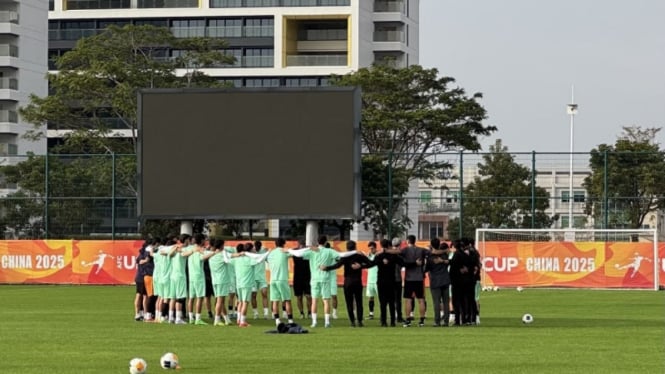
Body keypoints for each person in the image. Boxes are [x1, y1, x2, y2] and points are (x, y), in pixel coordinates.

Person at [289, 235, 357, 328]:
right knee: (326, 301)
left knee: (314, 301)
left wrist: (289, 250)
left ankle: (314, 322)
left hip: (314, 279)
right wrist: (355, 251)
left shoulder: (312, 251)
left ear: (317, 242)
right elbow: (342, 255)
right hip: (325, 278)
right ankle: (327, 322)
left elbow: (298, 254)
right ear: (326, 242)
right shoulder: (329, 251)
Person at [323, 240, 372, 327]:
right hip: (357, 281)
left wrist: (327, 268)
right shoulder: (359, 255)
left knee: (349, 302)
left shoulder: (345, 257)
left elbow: (337, 265)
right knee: (359, 301)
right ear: (355, 247)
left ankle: (352, 321)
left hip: (348, 281)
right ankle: (360, 321)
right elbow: (370, 263)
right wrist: (361, 266)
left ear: (347, 248)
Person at [224, 243, 269, 328]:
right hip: (247, 284)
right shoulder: (249, 260)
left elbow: (226, 260)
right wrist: (267, 253)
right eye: (253, 249)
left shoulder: (237, 259)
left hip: (239, 284)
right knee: (245, 303)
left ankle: (239, 319)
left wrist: (223, 252)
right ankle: (242, 322)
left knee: (240, 302)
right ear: (250, 250)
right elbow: (260, 259)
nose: (254, 250)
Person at [368, 239, 403, 327]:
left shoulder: (378, 256)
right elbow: (403, 262)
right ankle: (392, 321)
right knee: (391, 302)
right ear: (389, 245)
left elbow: (370, 264)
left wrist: (361, 264)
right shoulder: (393, 256)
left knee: (382, 302)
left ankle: (383, 321)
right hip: (391, 281)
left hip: (381, 281)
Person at [183, 233, 216, 325]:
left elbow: (182, 252)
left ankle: (191, 318)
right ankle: (198, 318)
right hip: (199, 276)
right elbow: (203, 257)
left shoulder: (190, 248)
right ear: (201, 240)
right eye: (204, 240)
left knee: (191, 298)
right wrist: (213, 253)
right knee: (200, 297)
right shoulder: (199, 250)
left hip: (191, 276)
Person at [266, 238, 295, 326]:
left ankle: (277, 320)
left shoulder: (271, 253)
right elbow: (295, 253)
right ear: (283, 244)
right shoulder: (284, 252)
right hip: (282, 279)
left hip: (272, 280)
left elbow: (266, 259)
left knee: (275, 301)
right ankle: (290, 321)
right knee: (287, 300)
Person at [401, 235, 427, 327]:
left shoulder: (405, 250)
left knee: (408, 300)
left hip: (409, 278)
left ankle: (408, 319)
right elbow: (430, 253)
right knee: (421, 299)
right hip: (419, 278)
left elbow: (401, 259)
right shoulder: (422, 250)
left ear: (408, 241)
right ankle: (422, 320)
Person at [207, 238, 233, 326]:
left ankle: (227, 319)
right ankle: (217, 319)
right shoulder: (222, 255)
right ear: (222, 245)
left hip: (215, 280)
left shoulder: (211, 255)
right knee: (220, 301)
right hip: (222, 280)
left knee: (220, 301)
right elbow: (232, 256)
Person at [427, 238, 451, 326]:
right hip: (445, 280)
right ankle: (446, 321)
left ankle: (437, 321)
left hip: (435, 281)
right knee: (446, 302)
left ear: (432, 245)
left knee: (436, 302)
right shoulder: (444, 255)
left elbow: (426, 268)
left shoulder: (430, 257)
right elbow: (448, 262)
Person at [291, 239, 312, 319]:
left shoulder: (308, 252)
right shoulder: (295, 252)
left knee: (308, 296)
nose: (302, 246)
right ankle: (301, 313)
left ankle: (309, 313)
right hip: (297, 277)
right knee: (299, 297)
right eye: (301, 244)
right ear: (298, 244)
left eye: (304, 244)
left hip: (307, 276)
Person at [251, 240, 270, 319]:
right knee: (253, 295)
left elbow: (268, 259)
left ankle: (266, 314)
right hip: (253, 277)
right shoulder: (250, 253)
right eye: (256, 247)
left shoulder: (263, 251)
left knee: (264, 294)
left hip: (262, 277)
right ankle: (255, 313)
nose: (257, 249)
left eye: (259, 247)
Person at [365, 241, 378, 320]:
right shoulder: (368, 257)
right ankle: (371, 314)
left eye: (372, 249)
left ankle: (385, 314)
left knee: (382, 298)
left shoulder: (378, 256)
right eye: (369, 249)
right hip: (370, 280)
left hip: (377, 280)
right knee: (370, 297)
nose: (371, 250)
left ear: (375, 248)